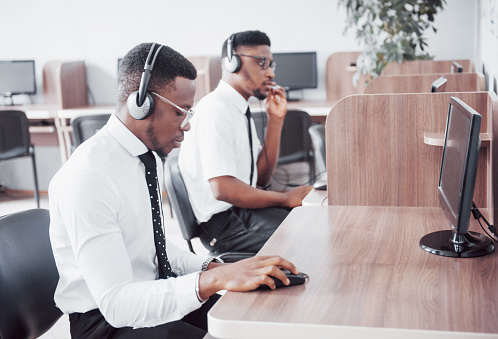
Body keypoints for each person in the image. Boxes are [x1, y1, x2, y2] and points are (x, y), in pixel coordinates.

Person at [48, 42, 300, 339]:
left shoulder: (145, 156)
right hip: (107, 324)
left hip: (151, 294)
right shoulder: (90, 177)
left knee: (252, 323)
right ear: (140, 104)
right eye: (182, 112)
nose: (188, 125)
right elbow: (117, 304)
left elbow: (155, 250)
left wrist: (216, 267)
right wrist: (212, 280)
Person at [178, 30, 313, 254]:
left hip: (241, 212)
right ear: (232, 62)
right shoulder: (216, 110)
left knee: (310, 221)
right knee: (308, 240)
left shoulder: (238, 108)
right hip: (225, 226)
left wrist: (276, 121)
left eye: (271, 65)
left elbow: (259, 178)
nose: (270, 73)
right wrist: (285, 198)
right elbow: (223, 189)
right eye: (262, 63)